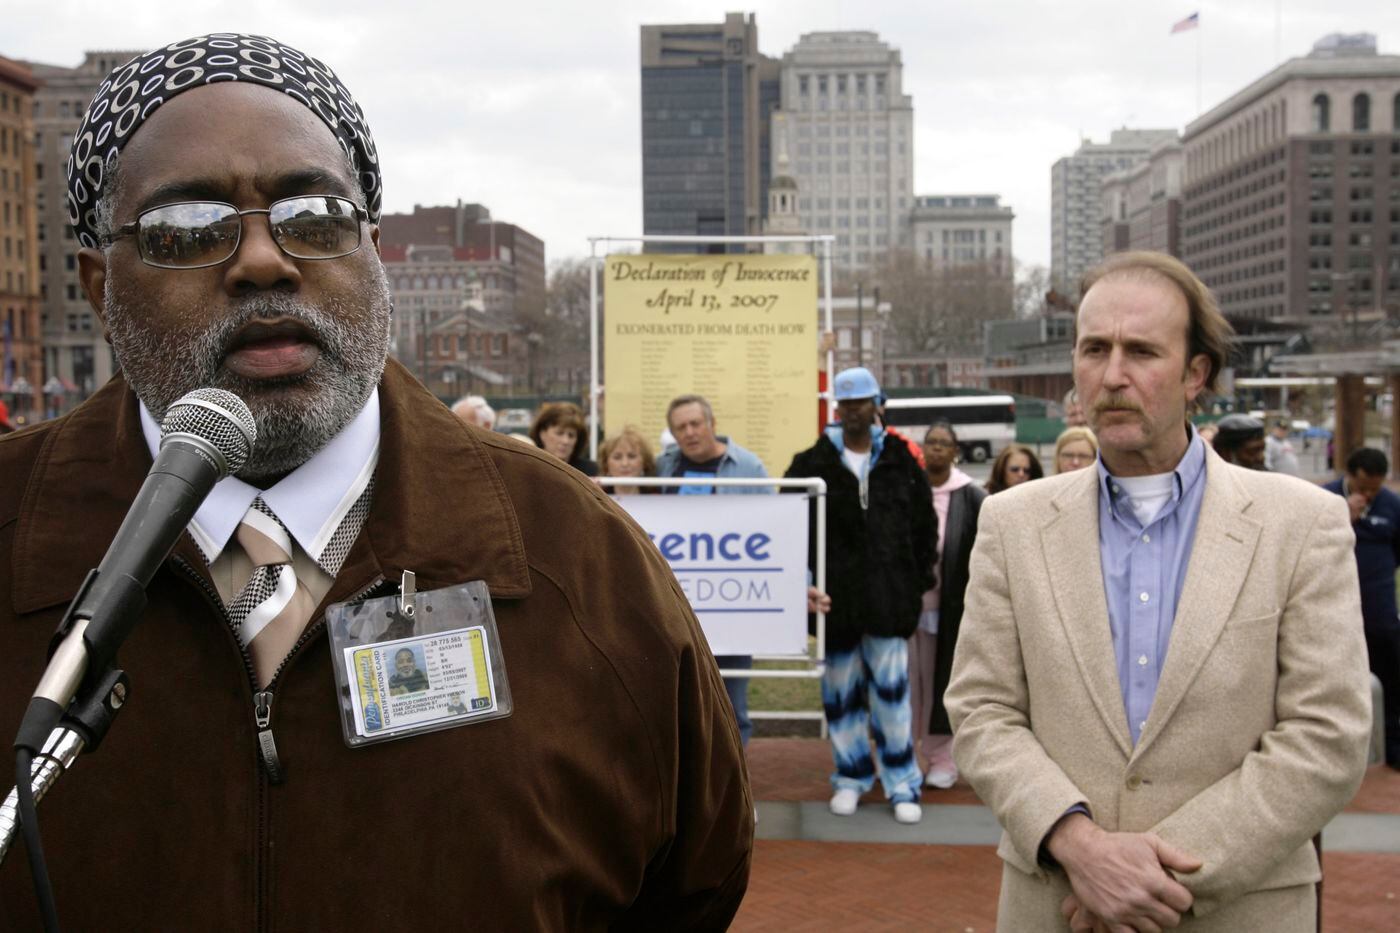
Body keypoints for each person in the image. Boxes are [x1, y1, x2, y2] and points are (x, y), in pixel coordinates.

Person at [0, 35, 750, 930]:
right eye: (189, 229)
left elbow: (694, 882)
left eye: (315, 216)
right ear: (99, 287)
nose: (263, 261)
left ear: (373, 250)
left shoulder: (578, 557)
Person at [946, 251, 1370, 932]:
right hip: (1057, 905)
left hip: (1239, 910)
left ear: (1195, 373)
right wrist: (1077, 844)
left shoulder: (1301, 523)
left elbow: (1329, 735)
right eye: (1095, 349)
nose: (1113, 375)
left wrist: (1145, 878)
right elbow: (980, 709)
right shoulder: (1012, 522)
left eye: (1141, 351)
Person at [784, 367, 933, 824]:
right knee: (841, 697)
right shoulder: (809, 463)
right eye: (845, 403)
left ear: (877, 405)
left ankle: (902, 782)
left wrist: (913, 585)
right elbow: (788, 531)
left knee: (892, 699)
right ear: (837, 407)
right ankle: (850, 777)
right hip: (836, 604)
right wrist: (802, 586)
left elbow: (924, 528)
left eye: (861, 402)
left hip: (889, 602)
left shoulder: (902, 461)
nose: (853, 411)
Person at [655, 394, 769, 746]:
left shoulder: (748, 467)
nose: (689, 433)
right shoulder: (661, 466)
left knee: (731, 706)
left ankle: (736, 780)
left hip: (730, 605)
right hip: (676, 607)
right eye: (681, 427)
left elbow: (773, 530)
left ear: (712, 424)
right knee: (677, 705)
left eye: (695, 424)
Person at [910, 421, 985, 790]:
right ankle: (904, 756)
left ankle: (942, 758)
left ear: (955, 451)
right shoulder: (909, 490)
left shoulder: (971, 497)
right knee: (908, 686)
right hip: (907, 611)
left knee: (943, 686)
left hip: (951, 610)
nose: (937, 448)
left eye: (944, 443)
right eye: (931, 442)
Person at [1324, 447, 1400, 769]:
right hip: (1333, 610)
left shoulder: (1392, 505)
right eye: (1363, 486)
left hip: (1378, 609)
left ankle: (1393, 744)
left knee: (1391, 677)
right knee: (1335, 682)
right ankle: (1337, 753)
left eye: (1375, 488)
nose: (1369, 494)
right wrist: (1344, 516)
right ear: (1350, 474)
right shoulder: (1325, 500)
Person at [529, 401, 599, 476]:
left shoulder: (589, 471)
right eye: (559, 433)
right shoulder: (529, 466)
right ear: (542, 434)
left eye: (571, 435)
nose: (565, 441)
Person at [599, 425, 658, 495]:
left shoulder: (659, 497)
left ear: (645, 462)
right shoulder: (597, 498)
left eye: (632, 456)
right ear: (606, 463)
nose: (625, 463)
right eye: (617, 457)